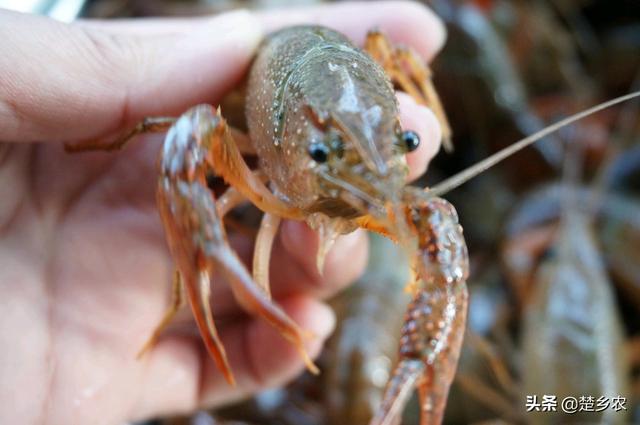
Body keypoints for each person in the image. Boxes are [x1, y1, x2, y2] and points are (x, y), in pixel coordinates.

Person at [0, 2, 446, 423]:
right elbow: (190, 135)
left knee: (433, 239)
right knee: (194, 148)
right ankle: (182, 294)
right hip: (266, 81)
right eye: (318, 152)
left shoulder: (375, 150)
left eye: (402, 142)